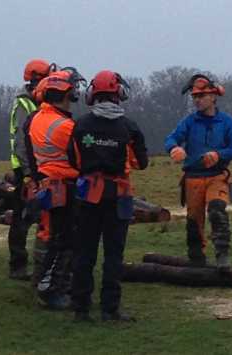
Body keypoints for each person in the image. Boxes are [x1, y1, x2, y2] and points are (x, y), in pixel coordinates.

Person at [71, 70, 148, 322]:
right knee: (114, 254)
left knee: (84, 252)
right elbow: (141, 162)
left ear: (92, 94)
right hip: (119, 195)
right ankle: (110, 309)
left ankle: (81, 308)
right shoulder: (129, 127)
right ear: (119, 94)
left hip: (87, 195)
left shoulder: (81, 125)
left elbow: (73, 160)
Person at [164, 74, 232, 270]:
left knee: (217, 210)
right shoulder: (189, 122)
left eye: (201, 96)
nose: (197, 100)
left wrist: (218, 154)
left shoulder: (227, 122)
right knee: (193, 221)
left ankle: (222, 254)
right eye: (195, 97)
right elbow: (171, 139)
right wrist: (174, 148)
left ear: (213, 97)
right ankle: (196, 257)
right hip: (193, 178)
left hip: (217, 176)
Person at [28, 68, 86, 309]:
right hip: (65, 185)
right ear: (65, 93)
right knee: (65, 240)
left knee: (53, 237)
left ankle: (49, 283)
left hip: (48, 183)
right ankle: (51, 289)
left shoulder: (38, 119)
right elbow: (81, 159)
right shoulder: (64, 126)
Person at [8, 59, 52, 280]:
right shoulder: (24, 105)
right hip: (26, 169)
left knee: (40, 214)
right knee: (22, 217)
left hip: (39, 166)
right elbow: (21, 143)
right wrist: (27, 174)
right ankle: (17, 264)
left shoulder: (38, 103)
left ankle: (40, 261)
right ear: (36, 80)